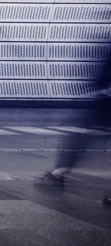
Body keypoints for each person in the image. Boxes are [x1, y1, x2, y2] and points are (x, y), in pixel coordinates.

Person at [36, 42, 111, 205]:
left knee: (81, 135)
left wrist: (98, 85)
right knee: (83, 133)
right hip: (106, 101)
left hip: (106, 101)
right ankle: (59, 171)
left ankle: (59, 172)